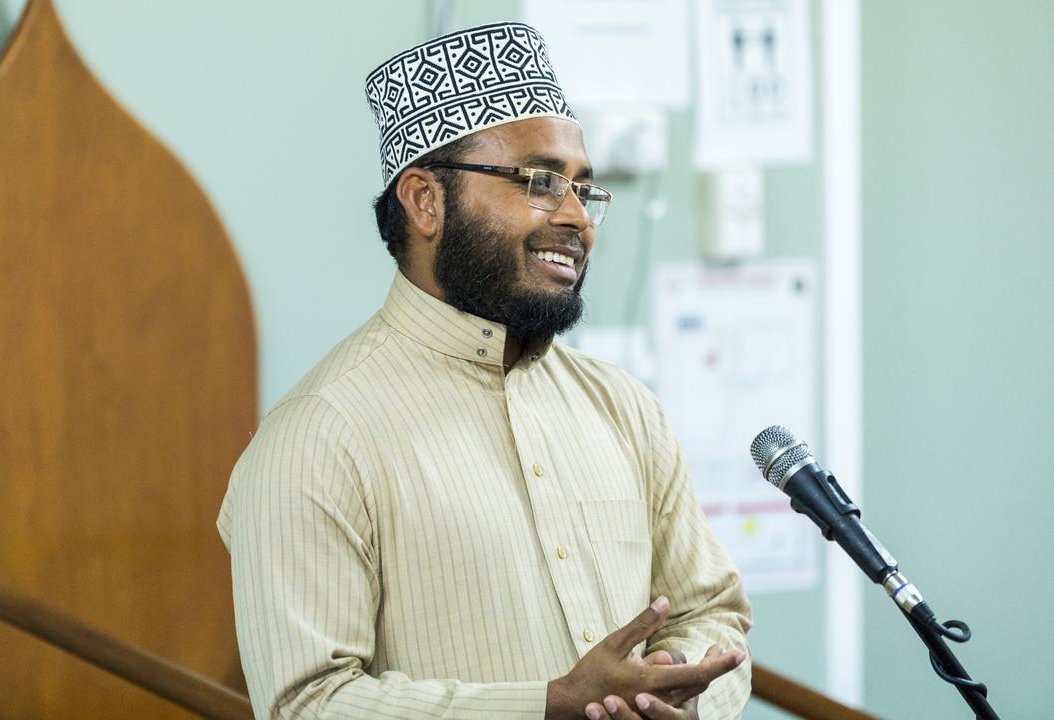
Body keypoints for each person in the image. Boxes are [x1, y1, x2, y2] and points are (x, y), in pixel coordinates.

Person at [219, 22, 752, 720]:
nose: (576, 218)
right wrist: (549, 705)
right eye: (538, 181)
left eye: (583, 190)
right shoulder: (318, 437)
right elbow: (309, 704)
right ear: (425, 201)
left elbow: (712, 610)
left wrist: (666, 690)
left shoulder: (623, 408)